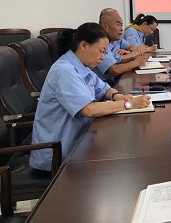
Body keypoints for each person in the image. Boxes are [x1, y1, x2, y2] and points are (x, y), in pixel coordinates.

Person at [29, 23, 151, 172]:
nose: (103, 57)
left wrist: (119, 96)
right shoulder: (65, 71)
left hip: (79, 143)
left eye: (106, 52)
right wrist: (128, 104)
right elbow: (88, 109)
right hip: (56, 156)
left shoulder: (81, 65)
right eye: (101, 51)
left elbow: (104, 88)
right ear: (84, 45)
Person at [95, 9, 149, 84]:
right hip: (104, 85)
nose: (121, 29)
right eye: (118, 24)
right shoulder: (99, 41)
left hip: (111, 83)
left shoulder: (110, 41)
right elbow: (114, 70)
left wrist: (135, 57)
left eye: (121, 25)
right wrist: (136, 62)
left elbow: (119, 59)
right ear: (106, 26)